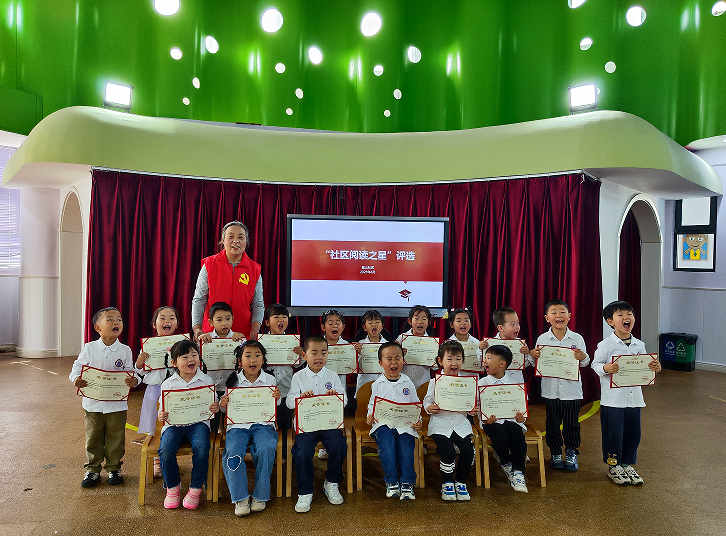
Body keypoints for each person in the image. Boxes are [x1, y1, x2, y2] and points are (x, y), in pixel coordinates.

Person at [592, 300, 661, 486]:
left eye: (629, 314)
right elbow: (595, 364)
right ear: (610, 322)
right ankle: (613, 466)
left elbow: (646, 366)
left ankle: (626, 464)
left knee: (633, 434)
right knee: (613, 434)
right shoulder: (606, 345)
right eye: (620, 315)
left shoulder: (639, 344)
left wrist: (655, 367)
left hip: (634, 399)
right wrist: (606, 368)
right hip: (613, 401)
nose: (626, 317)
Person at [70, 307, 140, 488]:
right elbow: (77, 367)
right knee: (93, 436)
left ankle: (114, 468)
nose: (116, 322)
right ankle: (92, 469)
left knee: (116, 437)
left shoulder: (125, 350)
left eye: (119, 319)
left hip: (117, 405)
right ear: (97, 327)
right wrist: (76, 379)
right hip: (92, 404)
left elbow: (131, 371)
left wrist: (134, 380)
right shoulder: (90, 348)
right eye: (110, 319)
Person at [287, 335, 348, 513]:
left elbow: (344, 401)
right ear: (304, 355)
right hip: (307, 424)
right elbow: (289, 402)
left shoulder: (333, 375)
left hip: (329, 423)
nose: (319, 357)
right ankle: (305, 491)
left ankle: (332, 482)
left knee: (339, 445)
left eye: (323, 353)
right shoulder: (298, 377)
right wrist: (300, 398)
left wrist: (336, 396)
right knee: (302, 451)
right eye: (314, 353)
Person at [220, 340, 281, 516]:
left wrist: (277, 397)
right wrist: (223, 403)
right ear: (240, 361)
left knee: (266, 447)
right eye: (248, 356)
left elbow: (274, 405)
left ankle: (261, 495)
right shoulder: (233, 380)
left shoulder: (270, 379)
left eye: (257, 356)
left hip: (263, 424)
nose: (253, 360)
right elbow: (224, 409)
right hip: (238, 425)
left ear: (263, 360)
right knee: (233, 450)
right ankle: (240, 497)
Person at [157, 340, 219, 509]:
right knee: (166, 450)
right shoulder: (168, 384)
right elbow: (162, 409)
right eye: (185, 357)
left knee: (202, 447)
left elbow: (213, 403)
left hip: (198, 424)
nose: (191, 359)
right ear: (174, 363)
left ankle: (195, 488)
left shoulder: (206, 380)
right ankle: (172, 487)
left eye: (194, 355)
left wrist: (215, 407)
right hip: (174, 425)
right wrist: (161, 414)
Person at [529, 300, 589, 471]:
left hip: (572, 391)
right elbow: (536, 364)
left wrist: (583, 357)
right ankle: (555, 452)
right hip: (551, 391)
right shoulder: (542, 338)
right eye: (554, 312)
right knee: (552, 423)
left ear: (569, 316)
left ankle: (571, 452)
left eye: (562, 312)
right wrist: (533, 355)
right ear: (547, 318)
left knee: (572, 424)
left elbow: (585, 363)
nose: (558, 315)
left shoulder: (577, 338)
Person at [366, 341, 421, 500]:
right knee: (387, 447)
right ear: (380, 363)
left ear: (403, 360)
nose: (394, 362)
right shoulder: (377, 384)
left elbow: (415, 404)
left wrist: (418, 421)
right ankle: (391, 481)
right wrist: (370, 416)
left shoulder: (408, 382)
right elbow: (372, 405)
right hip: (383, 425)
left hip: (405, 425)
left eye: (398, 358)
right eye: (389, 359)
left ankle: (407, 483)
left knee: (405, 448)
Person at [423, 340, 477, 501]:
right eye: (450, 359)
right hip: (440, 424)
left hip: (460, 423)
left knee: (468, 451)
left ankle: (460, 481)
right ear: (440, 361)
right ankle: (447, 483)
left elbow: (473, 403)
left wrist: (473, 409)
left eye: (458, 359)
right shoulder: (435, 382)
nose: (454, 363)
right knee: (448, 452)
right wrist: (429, 407)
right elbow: (427, 401)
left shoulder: (468, 382)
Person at [191, 221, 264, 341]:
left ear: (246, 242)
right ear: (223, 240)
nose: (236, 241)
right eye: (231, 237)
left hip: (242, 334)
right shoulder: (209, 265)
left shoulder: (254, 269)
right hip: (211, 335)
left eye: (241, 237)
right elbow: (199, 299)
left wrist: (256, 328)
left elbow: (258, 304)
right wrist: (197, 328)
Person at [134, 306, 181, 478]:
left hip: (176, 391)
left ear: (177, 324)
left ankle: (170, 458)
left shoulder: (181, 345)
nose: (167, 321)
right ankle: (157, 461)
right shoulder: (148, 346)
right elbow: (140, 373)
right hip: (154, 391)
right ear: (154, 324)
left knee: (174, 426)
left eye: (172, 318)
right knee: (155, 428)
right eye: (162, 318)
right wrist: (139, 363)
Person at [479, 344, 529, 493]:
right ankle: (507, 464)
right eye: (485, 357)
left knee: (517, 434)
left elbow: (523, 405)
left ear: (502, 364)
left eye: (489, 358)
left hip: (511, 420)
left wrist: (521, 418)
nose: (485, 361)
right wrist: (484, 418)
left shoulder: (515, 384)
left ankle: (518, 472)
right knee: (500, 435)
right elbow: (477, 406)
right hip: (491, 422)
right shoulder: (482, 383)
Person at [261, 303, 303, 455]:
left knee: (285, 424)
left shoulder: (293, 341)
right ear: (267, 322)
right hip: (267, 392)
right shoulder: (261, 342)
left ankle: (284, 454)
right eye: (276, 317)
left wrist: (301, 355)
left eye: (284, 317)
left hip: (286, 390)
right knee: (267, 423)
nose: (281, 320)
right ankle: (268, 452)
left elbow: (298, 365)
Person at [198, 301, 245, 432]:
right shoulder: (206, 340)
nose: (224, 323)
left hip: (231, 386)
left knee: (230, 421)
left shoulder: (238, 339)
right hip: (211, 385)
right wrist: (200, 341)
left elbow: (247, 359)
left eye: (228, 319)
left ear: (233, 319)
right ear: (211, 322)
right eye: (219, 320)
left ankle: (227, 439)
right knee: (212, 420)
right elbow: (195, 358)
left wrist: (242, 341)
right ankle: (213, 438)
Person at [481, 307, 531, 384]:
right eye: (512, 324)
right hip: (495, 383)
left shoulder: (520, 343)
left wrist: (527, 353)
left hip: (516, 382)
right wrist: (481, 349)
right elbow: (483, 362)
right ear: (500, 328)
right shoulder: (490, 344)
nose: (517, 327)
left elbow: (525, 364)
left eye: (518, 323)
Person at [398, 305, 436, 388]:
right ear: (410, 321)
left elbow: (435, 367)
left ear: (429, 322)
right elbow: (392, 356)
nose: (420, 322)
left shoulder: (432, 342)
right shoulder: (402, 338)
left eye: (424, 319)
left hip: (423, 383)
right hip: (403, 382)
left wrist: (434, 358)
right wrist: (399, 353)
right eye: (417, 318)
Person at [356, 309, 389, 394]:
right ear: (364, 327)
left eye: (377, 322)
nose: (374, 325)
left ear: (382, 326)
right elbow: (353, 367)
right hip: (364, 385)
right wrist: (357, 353)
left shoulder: (388, 346)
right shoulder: (359, 345)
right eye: (370, 323)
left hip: (384, 386)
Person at [448, 307, 487, 375]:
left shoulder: (477, 343)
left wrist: (482, 350)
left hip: (473, 377)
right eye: (459, 321)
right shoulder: (448, 344)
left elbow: (483, 362)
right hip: (455, 377)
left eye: (466, 321)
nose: (463, 323)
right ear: (451, 325)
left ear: (470, 324)